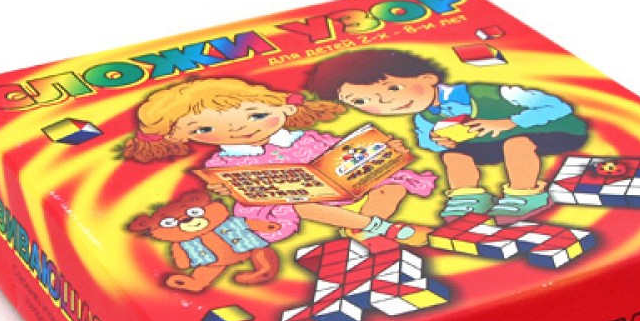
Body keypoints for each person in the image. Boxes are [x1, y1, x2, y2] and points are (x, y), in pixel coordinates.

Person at [122, 76, 435, 241]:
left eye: (256, 115)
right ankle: (380, 229)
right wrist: (227, 189)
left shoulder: (306, 138)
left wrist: (383, 150)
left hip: (346, 181)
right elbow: (235, 186)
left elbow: (346, 148)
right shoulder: (225, 163)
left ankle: (362, 228)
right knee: (301, 205)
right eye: (204, 128)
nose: (239, 128)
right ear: (178, 136)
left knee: (392, 185)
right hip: (298, 199)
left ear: (285, 109)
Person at [306, 48, 588, 222]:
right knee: (454, 157)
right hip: (488, 142)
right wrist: (441, 142)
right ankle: (470, 198)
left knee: (517, 144)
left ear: (427, 79)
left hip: (552, 129)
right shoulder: (424, 118)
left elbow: (557, 107)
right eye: (362, 101)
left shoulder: (491, 93)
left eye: (393, 89)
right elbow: (427, 142)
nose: (386, 102)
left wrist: (509, 121)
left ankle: (526, 194)